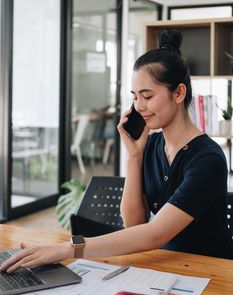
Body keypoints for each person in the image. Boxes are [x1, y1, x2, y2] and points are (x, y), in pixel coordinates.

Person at [1, 29, 233, 273]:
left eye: (147, 96)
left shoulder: (208, 159)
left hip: (211, 273)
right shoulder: (152, 145)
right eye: (135, 97)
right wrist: (134, 156)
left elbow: (154, 235)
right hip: (166, 266)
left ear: (178, 93)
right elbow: (134, 224)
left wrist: (68, 248)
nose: (139, 107)